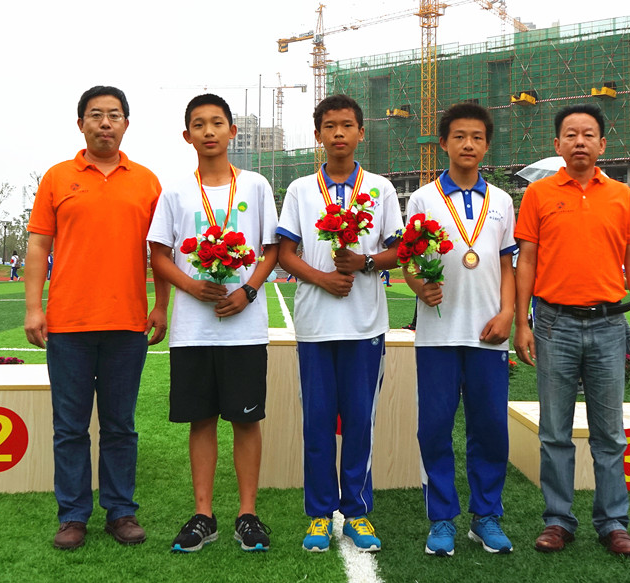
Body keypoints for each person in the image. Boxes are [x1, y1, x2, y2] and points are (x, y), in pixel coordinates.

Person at [24, 86, 168, 550]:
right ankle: (72, 516)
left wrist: (160, 305)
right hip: (68, 325)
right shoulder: (57, 177)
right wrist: (34, 307)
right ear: (81, 123)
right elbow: (38, 245)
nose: (105, 123)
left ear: (126, 123)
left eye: (114, 115)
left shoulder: (146, 182)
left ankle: (121, 511)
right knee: (69, 428)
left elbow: (160, 251)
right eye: (95, 115)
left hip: (127, 323)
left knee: (120, 425)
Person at [514, 103, 630, 558]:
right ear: (557, 144)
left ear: (602, 144)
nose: (579, 142)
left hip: (611, 325)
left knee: (610, 434)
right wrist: (522, 322)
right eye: (570, 135)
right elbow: (526, 260)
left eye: (588, 134)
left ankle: (613, 523)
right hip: (555, 324)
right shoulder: (538, 194)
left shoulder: (621, 196)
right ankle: (557, 521)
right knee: (554, 431)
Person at [147, 94, 278, 553]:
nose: (209, 131)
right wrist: (191, 286)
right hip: (193, 330)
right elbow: (159, 253)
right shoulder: (175, 192)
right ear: (188, 136)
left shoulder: (256, 185)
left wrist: (248, 291)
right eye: (199, 124)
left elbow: (271, 250)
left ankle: (248, 514)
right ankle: (203, 515)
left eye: (217, 122)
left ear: (232, 132)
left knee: (246, 420)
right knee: (200, 420)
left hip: (245, 327)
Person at [277, 94, 403, 553]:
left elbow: (397, 249)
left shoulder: (381, 189)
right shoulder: (300, 189)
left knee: (359, 423)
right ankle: (318, 514)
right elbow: (285, 252)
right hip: (315, 325)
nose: (338, 134)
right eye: (329, 126)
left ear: (360, 133)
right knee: (316, 424)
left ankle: (356, 512)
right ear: (318, 135)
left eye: (347, 125)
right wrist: (323, 279)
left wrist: (365, 262)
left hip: (365, 326)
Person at [404, 103, 516, 557]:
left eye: (477, 137)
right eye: (459, 137)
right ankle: (442, 519)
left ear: (487, 145)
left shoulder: (503, 201)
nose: (468, 144)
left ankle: (485, 516)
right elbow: (410, 261)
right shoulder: (422, 199)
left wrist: (508, 313)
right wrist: (420, 286)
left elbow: (507, 266)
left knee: (490, 429)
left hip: (489, 333)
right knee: (434, 428)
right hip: (438, 335)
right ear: (444, 143)